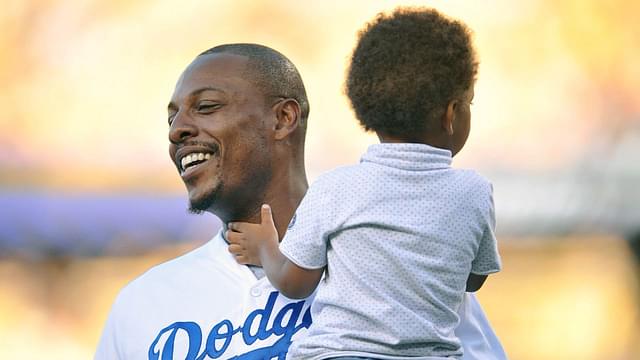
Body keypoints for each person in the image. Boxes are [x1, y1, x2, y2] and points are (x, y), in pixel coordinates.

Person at [95, 42, 507, 359]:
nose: (178, 130)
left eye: (205, 107)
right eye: (172, 119)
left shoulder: (405, 261)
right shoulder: (141, 305)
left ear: (283, 119)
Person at [226, 7, 500, 360]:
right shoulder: (475, 192)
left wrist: (266, 247)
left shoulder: (336, 188)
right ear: (451, 114)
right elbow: (472, 280)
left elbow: (295, 283)